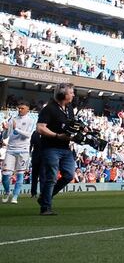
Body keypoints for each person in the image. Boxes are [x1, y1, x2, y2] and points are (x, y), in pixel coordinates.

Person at [36, 83, 79, 215]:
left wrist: (81, 129)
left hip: (65, 148)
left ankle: (44, 197)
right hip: (50, 148)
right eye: (71, 92)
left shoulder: (69, 108)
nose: (73, 95)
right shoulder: (49, 109)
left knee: (69, 175)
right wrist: (57, 136)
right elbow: (40, 128)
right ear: (63, 94)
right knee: (52, 177)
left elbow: (71, 125)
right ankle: (45, 207)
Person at [2, 101, 33, 203]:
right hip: (11, 149)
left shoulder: (30, 120)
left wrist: (16, 129)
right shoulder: (12, 119)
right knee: (5, 175)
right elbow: (5, 137)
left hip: (23, 150)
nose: (20, 110)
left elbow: (28, 135)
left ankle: (15, 196)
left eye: (22, 108)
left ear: (28, 109)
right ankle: (7, 192)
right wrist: (5, 130)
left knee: (20, 174)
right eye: (19, 108)